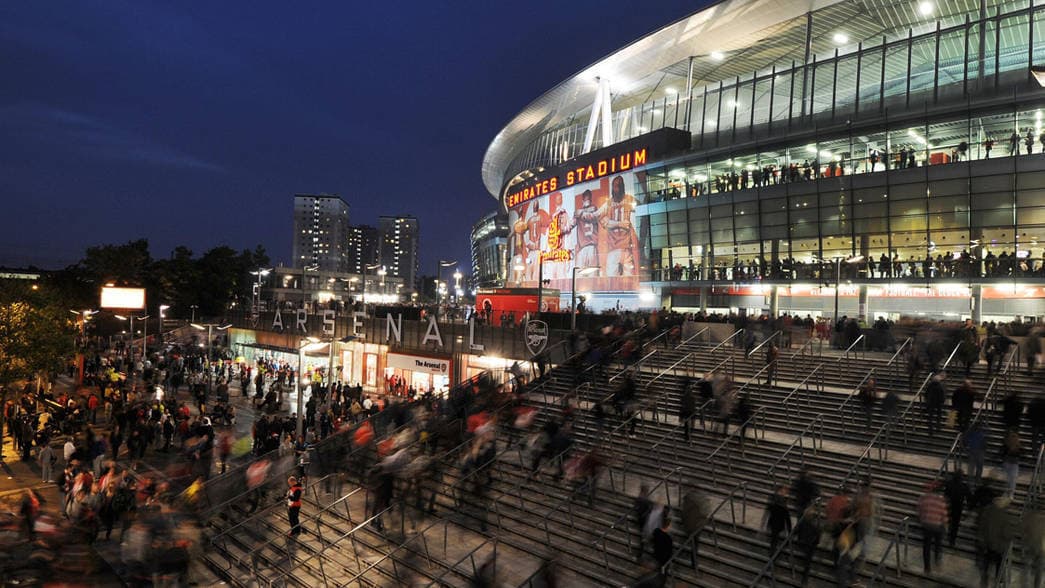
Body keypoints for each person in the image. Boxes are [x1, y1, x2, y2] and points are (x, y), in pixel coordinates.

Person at [978, 494, 1016, 586]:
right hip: (999, 546)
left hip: (987, 544)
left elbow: (982, 527)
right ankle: (998, 581)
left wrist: (982, 540)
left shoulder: (987, 511)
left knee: (986, 562)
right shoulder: (1004, 516)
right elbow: (1007, 533)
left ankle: (984, 580)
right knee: (1000, 564)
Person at [917, 481, 947, 575]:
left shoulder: (924, 498)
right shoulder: (941, 500)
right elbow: (944, 514)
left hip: (926, 525)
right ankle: (937, 560)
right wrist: (945, 524)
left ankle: (927, 568)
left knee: (926, 546)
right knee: (938, 544)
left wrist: (922, 520)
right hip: (937, 525)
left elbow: (919, 510)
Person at [680, 490, 708, 570]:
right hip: (695, 527)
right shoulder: (697, 503)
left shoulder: (687, 502)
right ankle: (694, 563)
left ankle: (693, 561)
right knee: (695, 544)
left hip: (690, 527)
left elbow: (683, 514)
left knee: (693, 544)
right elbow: (704, 513)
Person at [763, 485, 792, 556]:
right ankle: (773, 553)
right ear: (781, 490)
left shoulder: (773, 499)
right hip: (779, 523)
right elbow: (787, 516)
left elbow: (768, 510)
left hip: (773, 521)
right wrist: (790, 529)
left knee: (774, 538)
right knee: (775, 538)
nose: (786, 493)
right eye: (785, 491)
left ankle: (772, 551)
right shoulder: (783, 503)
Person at [943, 470, 970, 547]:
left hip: (949, 505)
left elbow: (946, 494)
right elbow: (969, 497)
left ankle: (947, 533)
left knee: (949, 521)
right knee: (955, 524)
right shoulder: (964, 486)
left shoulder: (949, 484)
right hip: (958, 507)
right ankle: (952, 540)